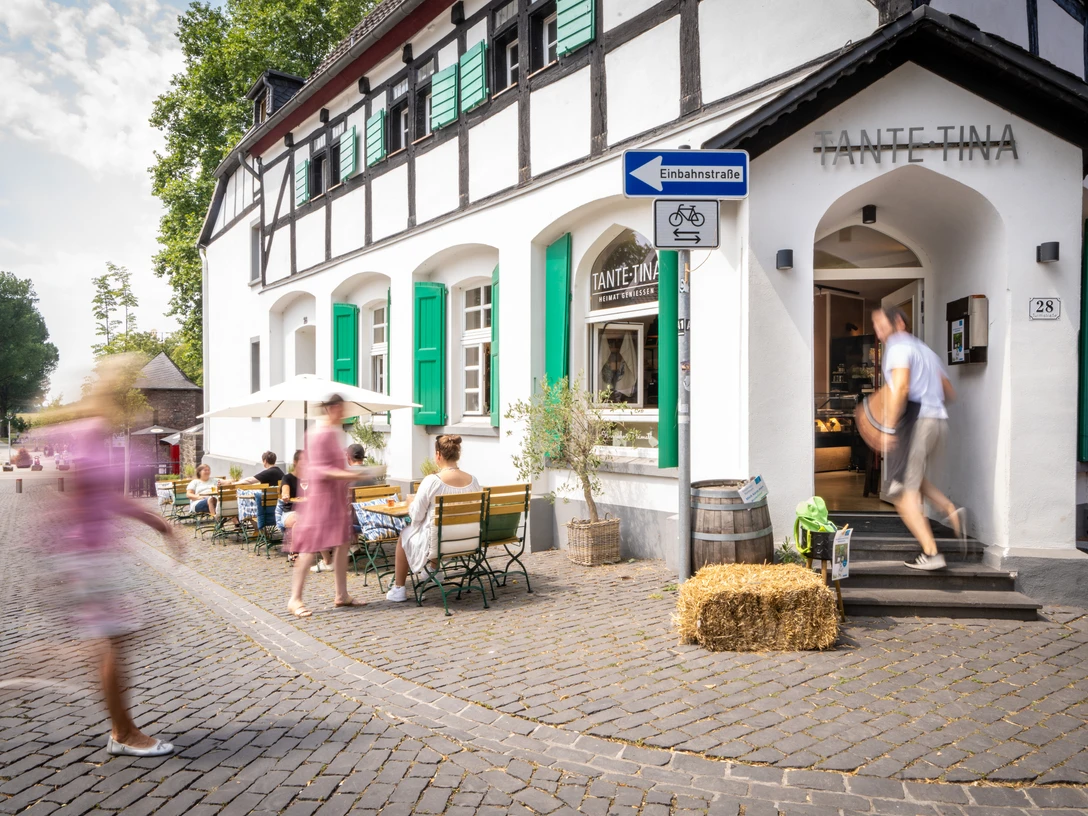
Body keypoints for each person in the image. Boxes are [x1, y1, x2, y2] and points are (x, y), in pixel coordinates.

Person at [49, 355, 186, 757]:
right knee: (116, 641)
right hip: (90, 556)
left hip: (94, 554)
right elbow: (92, 494)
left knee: (119, 638)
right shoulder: (91, 431)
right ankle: (123, 734)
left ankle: (119, 727)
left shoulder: (93, 430)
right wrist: (160, 525)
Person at [872, 306, 964, 571]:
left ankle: (932, 553)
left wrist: (888, 427)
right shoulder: (926, 351)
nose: (878, 331)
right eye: (875, 326)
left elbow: (900, 386)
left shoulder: (898, 347)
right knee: (910, 476)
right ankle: (948, 507)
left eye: (881, 324)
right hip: (937, 421)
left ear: (899, 322)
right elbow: (949, 391)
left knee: (902, 494)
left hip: (916, 422)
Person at [287, 394, 365, 616]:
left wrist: (349, 476)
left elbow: (335, 467)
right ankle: (295, 599)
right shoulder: (318, 434)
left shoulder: (334, 433)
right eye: (341, 409)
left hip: (336, 500)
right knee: (310, 547)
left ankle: (342, 595)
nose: (343, 414)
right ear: (332, 409)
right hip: (320, 500)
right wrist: (349, 475)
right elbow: (319, 470)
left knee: (342, 544)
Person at [386, 435, 480, 602]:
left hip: (439, 543)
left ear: (438, 455)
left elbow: (416, 516)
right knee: (435, 530)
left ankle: (399, 588)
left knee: (404, 536)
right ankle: (433, 570)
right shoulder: (473, 481)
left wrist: (411, 503)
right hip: (467, 540)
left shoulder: (432, 481)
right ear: (458, 455)